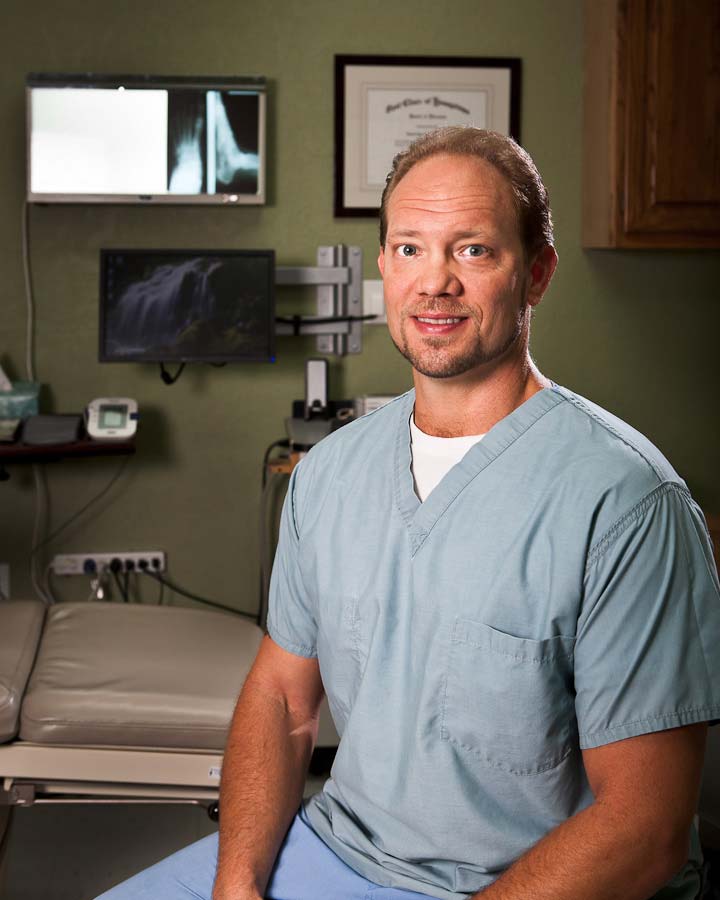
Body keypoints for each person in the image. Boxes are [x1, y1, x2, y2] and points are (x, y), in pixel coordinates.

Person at [96, 127, 720, 900]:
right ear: (385, 267)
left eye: (473, 251)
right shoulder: (328, 475)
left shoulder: (626, 505)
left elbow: (644, 829)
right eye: (410, 249)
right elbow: (283, 700)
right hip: (346, 852)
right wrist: (236, 885)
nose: (435, 284)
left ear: (537, 274)